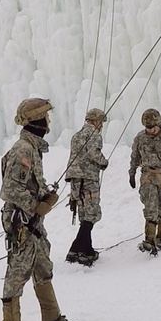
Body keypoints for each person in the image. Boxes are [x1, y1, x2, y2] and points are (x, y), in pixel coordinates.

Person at [0, 97, 83, 321]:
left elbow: (29, 184)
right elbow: (10, 189)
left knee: (43, 268)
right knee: (16, 277)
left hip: (33, 225)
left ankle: (52, 319)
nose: (49, 121)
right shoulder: (23, 150)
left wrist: (44, 195)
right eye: (46, 116)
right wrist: (36, 206)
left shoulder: (32, 149)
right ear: (38, 121)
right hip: (23, 225)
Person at [64, 108, 108, 266]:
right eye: (101, 122)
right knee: (92, 213)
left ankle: (85, 249)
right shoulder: (94, 134)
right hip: (88, 178)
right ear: (96, 121)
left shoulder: (76, 135)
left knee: (84, 212)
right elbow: (93, 153)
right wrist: (104, 162)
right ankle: (78, 250)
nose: (101, 125)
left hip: (76, 180)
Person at [129, 108, 161, 255]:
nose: (149, 130)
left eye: (151, 127)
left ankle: (160, 237)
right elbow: (135, 157)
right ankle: (149, 239)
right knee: (150, 208)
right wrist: (132, 173)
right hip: (148, 177)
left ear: (158, 123)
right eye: (147, 127)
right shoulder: (140, 138)